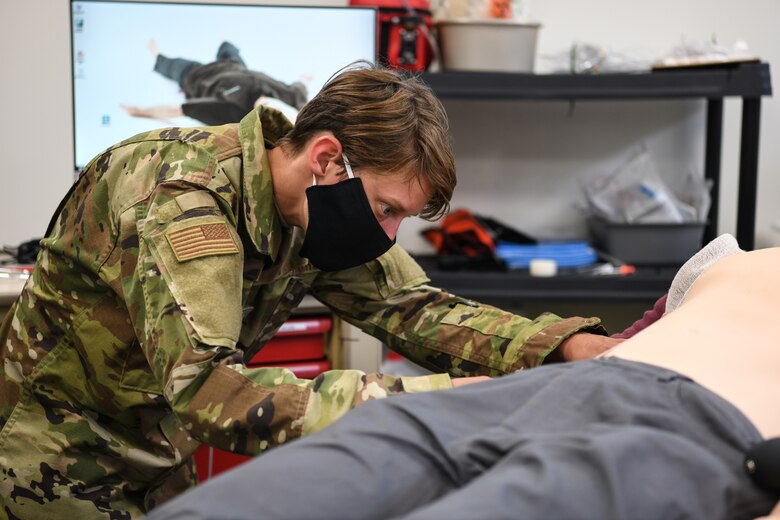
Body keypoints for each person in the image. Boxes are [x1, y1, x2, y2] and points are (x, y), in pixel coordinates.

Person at [0, 62, 617, 518]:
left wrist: (560, 347)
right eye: (386, 209)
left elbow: (415, 309)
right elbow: (213, 389)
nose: (389, 236)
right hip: (54, 456)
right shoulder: (183, 199)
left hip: (156, 455)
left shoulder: (312, 206)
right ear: (327, 158)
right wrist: (433, 400)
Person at [146, 238, 780, 520]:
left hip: (695, 428)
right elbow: (640, 331)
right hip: (554, 390)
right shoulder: (732, 259)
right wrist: (565, 346)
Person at [121, 40, 309, 126]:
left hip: (195, 76)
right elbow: (301, 85)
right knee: (226, 45)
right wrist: (305, 78)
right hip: (233, 65)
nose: (272, 110)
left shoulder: (233, 112)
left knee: (168, 65)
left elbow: (179, 109)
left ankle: (156, 55)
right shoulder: (291, 95)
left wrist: (142, 111)